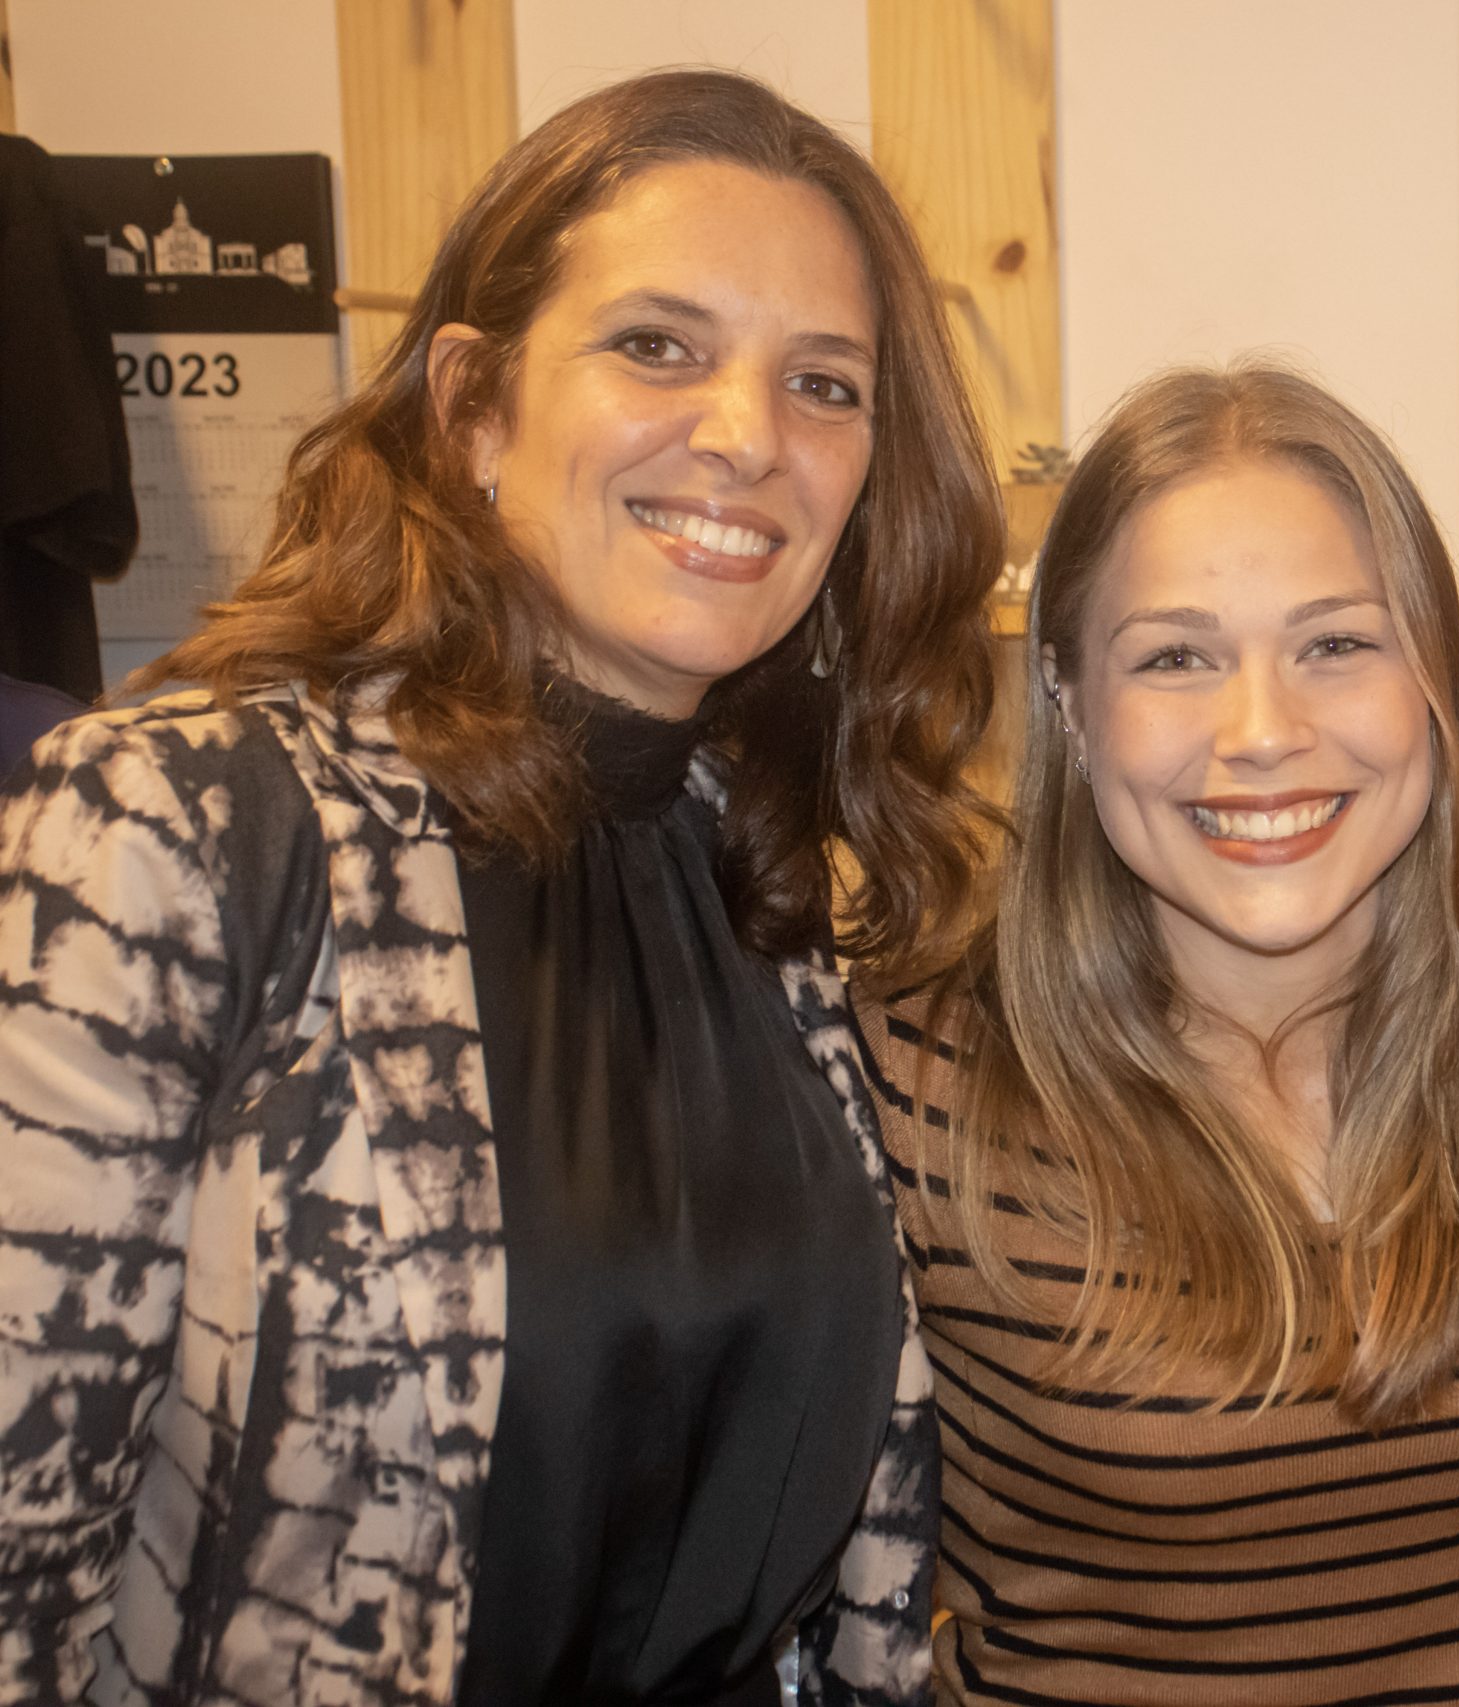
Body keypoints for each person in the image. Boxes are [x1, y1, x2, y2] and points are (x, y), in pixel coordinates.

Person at [0, 69, 1001, 1705]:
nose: (749, 437)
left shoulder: (777, 876)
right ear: (472, 406)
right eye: (657, 345)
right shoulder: (178, 824)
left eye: (823, 384)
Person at [852, 363, 1459, 1705]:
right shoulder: (904, 1085)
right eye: (1175, 658)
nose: (1262, 734)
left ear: (1430, 675)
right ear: (1068, 699)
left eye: (1336, 645)